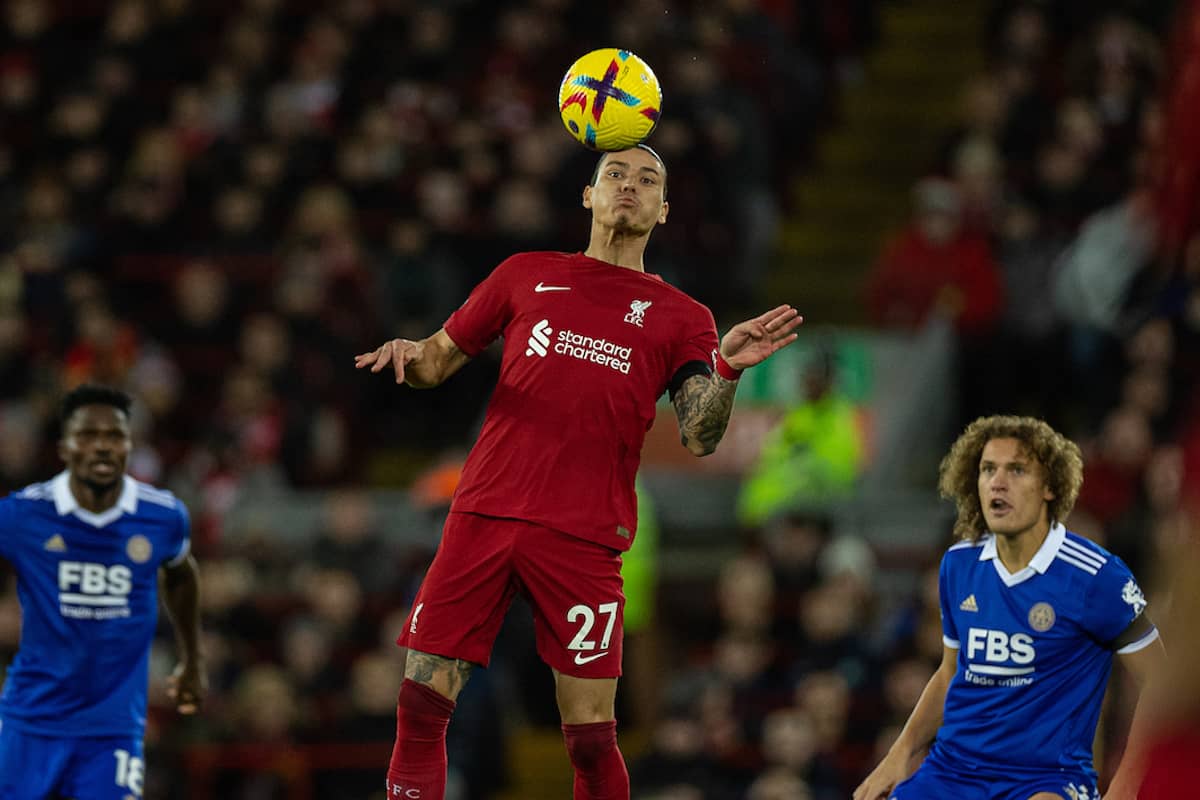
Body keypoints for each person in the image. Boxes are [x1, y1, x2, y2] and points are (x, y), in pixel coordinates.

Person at [355, 143, 803, 800]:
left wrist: (728, 369)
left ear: (665, 210)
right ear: (588, 196)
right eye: (615, 174)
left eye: (647, 179)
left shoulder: (684, 317)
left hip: (585, 533)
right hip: (485, 511)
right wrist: (408, 353)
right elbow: (438, 361)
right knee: (422, 699)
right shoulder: (524, 274)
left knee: (591, 735)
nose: (630, 186)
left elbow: (701, 436)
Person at [854, 415, 1164, 800]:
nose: (998, 482)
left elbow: (1160, 680)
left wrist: (1129, 782)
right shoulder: (958, 564)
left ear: (1050, 485)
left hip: (1047, 779)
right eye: (987, 470)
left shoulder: (1096, 577)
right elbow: (951, 672)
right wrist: (900, 754)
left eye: (1017, 469)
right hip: (953, 772)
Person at [0, 383, 206, 799]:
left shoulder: (163, 517)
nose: (102, 447)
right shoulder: (22, 515)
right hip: (31, 720)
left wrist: (191, 659)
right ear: (64, 447)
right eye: (87, 436)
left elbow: (181, 572)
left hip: (112, 728)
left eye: (114, 436)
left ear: (129, 446)